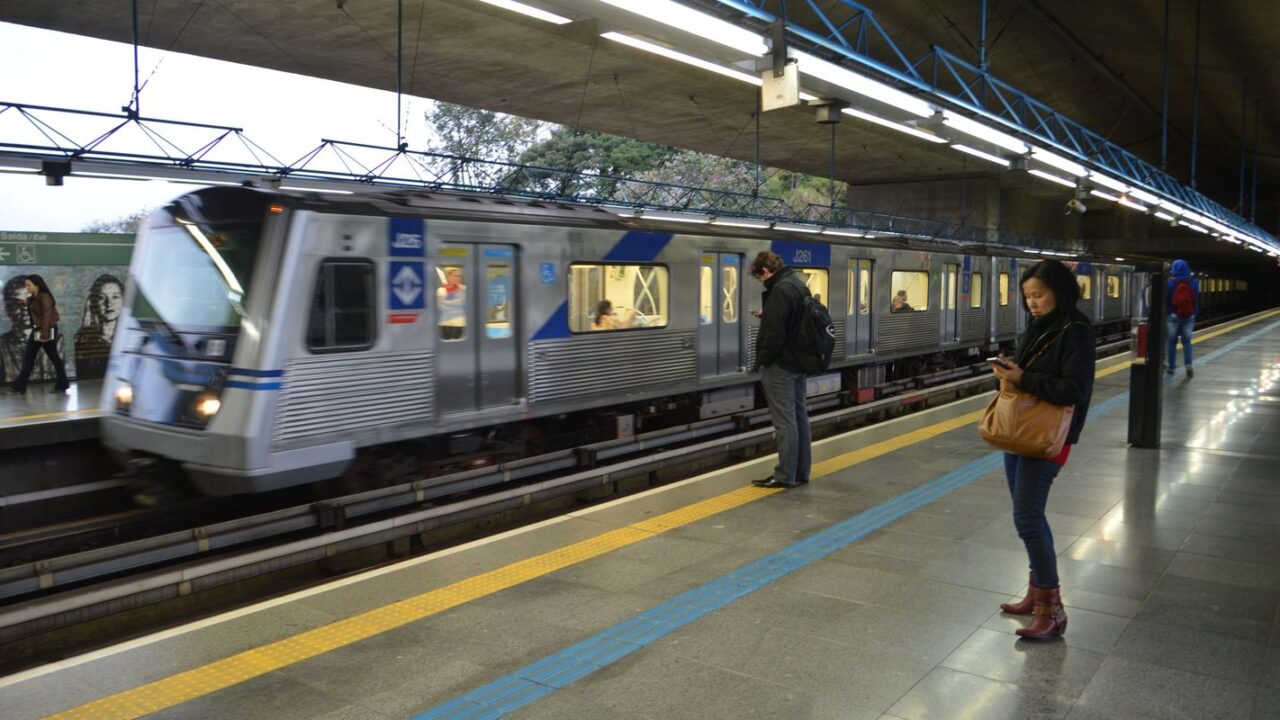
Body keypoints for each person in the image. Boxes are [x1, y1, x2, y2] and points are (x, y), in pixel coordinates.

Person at [989, 258, 1094, 640]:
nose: (1032, 303)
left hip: (1048, 436)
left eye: (1040, 295)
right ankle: (1036, 594)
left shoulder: (1076, 330)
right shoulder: (1036, 327)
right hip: (1020, 431)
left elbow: (1075, 390)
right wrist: (1012, 371)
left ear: (1060, 292)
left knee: (1028, 518)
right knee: (1027, 515)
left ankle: (1053, 609)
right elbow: (1034, 374)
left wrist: (1024, 377)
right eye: (1027, 296)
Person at [749, 250, 811, 489]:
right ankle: (801, 472)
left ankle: (785, 474)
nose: (762, 282)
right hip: (797, 362)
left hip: (781, 365)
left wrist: (761, 360)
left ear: (765, 270)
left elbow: (774, 335)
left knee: (785, 422)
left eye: (760, 278)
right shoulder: (796, 284)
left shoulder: (780, 290)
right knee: (799, 417)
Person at [9, 274, 71, 395]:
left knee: (54, 358)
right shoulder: (32, 298)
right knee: (28, 358)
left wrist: (44, 334)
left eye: (29, 285)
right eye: (26, 285)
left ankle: (62, 384)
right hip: (37, 330)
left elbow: (47, 316)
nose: (27, 287)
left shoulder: (45, 297)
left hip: (47, 331)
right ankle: (19, 386)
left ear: (37, 285)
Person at [75, 274, 125, 380]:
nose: (109, 303)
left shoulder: (129, 337)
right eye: (102, 298)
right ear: (94, 303)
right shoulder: (85, 339)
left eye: (115, 297)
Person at [1165, 258, 1199, 378]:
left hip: (1173, 316)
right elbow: (1195, 300)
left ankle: (1171, 367)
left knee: (1172, 342)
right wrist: (1194, 313)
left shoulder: (1170, 283)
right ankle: (1188, 364)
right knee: (1187, 342)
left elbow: (1166, 301)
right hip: (1189, 317)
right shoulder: (1194, 283)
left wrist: (1170, 312)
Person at [437, 267, 466, 340]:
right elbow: (439, 307)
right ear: (448, 277)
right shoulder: (441, 290)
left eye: (459, 276)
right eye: (455, 276)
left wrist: (445, 304)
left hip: (460, 324)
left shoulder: (464, 289)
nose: (458, 278)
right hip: (444, 324)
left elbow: (464, 304)